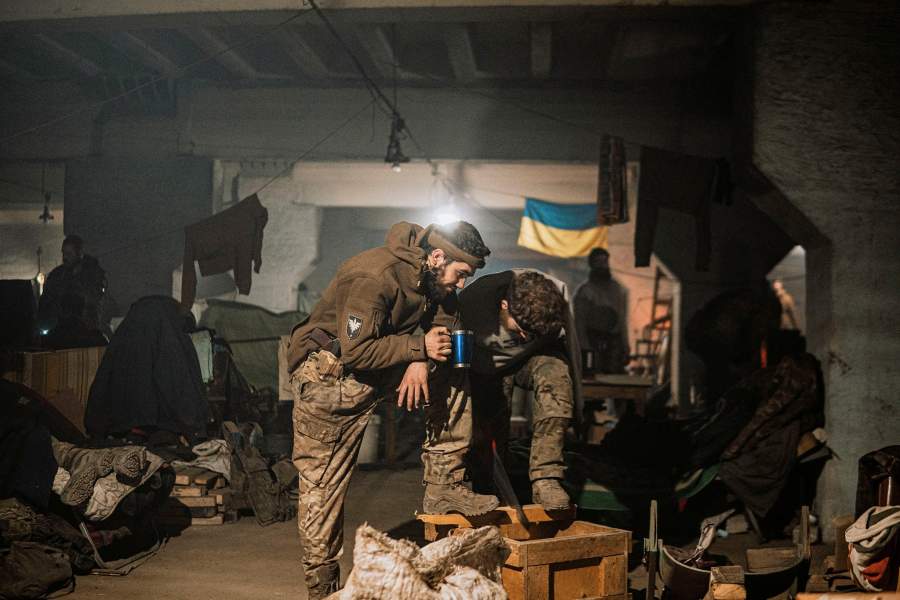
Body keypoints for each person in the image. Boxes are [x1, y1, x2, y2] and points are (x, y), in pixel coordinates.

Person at [285, 221, 499, 598]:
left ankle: (444, 486)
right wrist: (417, 349)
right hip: (330, 378)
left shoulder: (433, 279)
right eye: (461, 273)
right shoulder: (373, 275)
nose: (462, 284)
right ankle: (322, 585)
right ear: (436, 257)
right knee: (322, 488)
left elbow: (447, 316)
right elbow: (357, 351)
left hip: (380, 367)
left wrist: (420, 358)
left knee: (452, 371)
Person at [460, 270, 575, 511]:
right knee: (488, 433)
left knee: (555, 372)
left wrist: (576, 407)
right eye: (520, 329)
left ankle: (546, 478)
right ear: (504, 305)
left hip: (528, 362)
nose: (524, 337)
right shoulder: (472, 303)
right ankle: (487, 488)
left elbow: (571, 351)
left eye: (531, 334)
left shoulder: (556, 302)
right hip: (485, 368)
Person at [37, 235, 107, 337]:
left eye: (69, 254)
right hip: (60, 329)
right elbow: (46, 301)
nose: (65, 257)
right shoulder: (57, 275)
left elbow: (93, 301)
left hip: (85, 331)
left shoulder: (92, 274)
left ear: (79, 254)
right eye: (64, 253)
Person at [573, 248, 629, 374]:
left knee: (614, 377)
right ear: (592, 265)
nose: (603, 265)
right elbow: (579, 323)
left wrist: (625, 345)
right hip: (593, 342)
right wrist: (585, 348)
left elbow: (622, 318)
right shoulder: (585, 292)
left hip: (614, 343)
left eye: (605, 261)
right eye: (599, 262)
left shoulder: (617, 289)